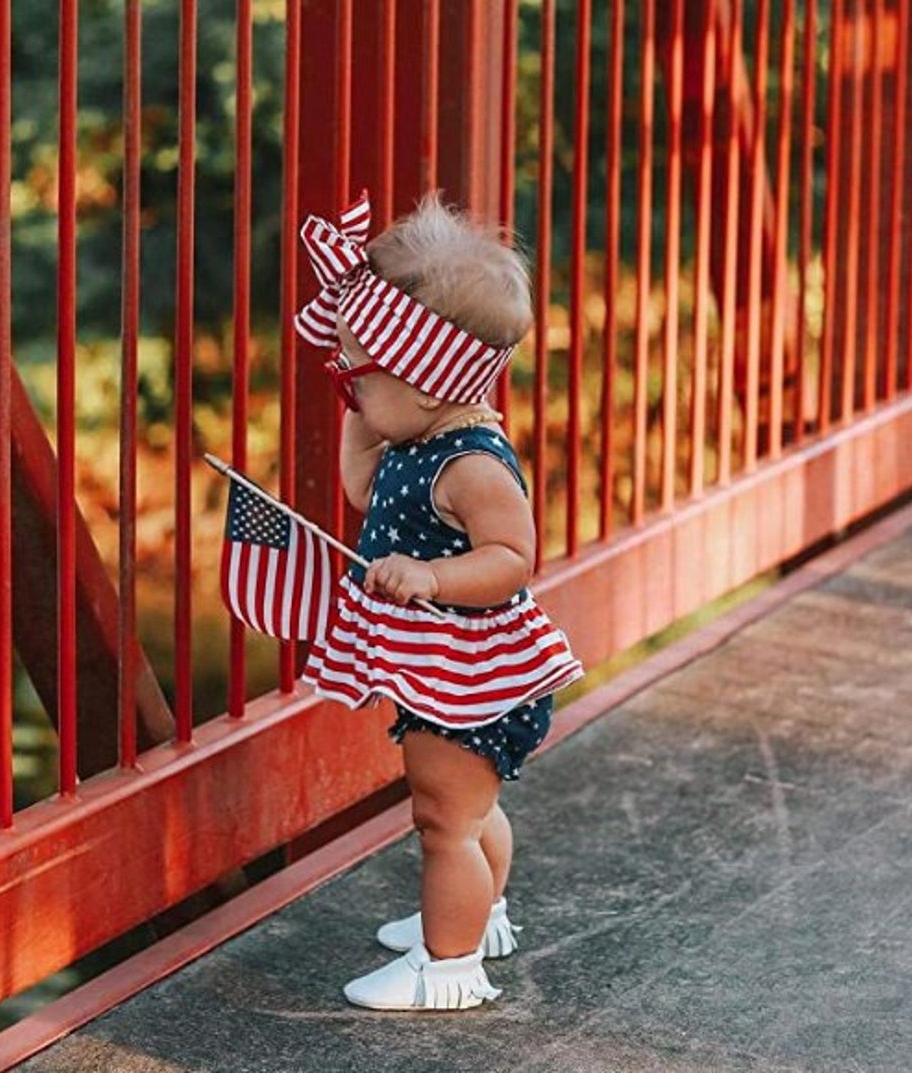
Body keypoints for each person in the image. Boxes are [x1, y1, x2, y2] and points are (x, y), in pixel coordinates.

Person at [294, 190, 583, 1012]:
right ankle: (477, 915)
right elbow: (362, 490)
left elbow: (512, 559)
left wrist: (431, 578)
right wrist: (361, 406)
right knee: (471, 807)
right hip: (444, 670)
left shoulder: (471, 465)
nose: (345, 381)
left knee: (444, 820)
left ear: (425, 382)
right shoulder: (417, 436)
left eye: (358, 371)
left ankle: (448, 967)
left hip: (475, 677)